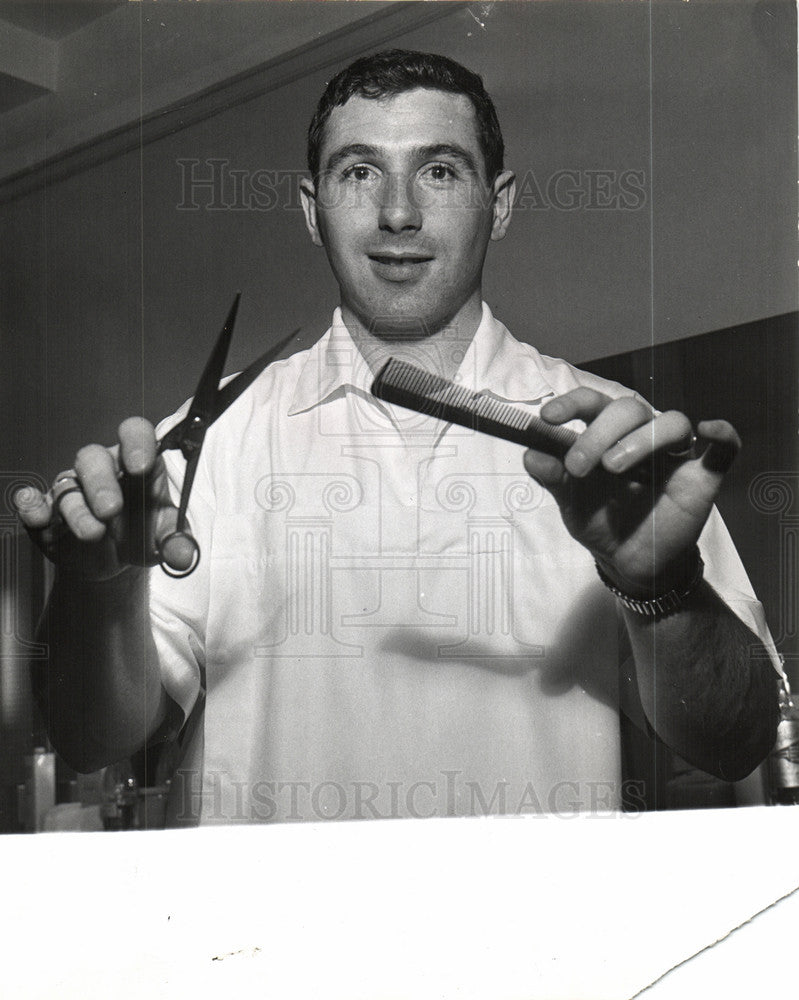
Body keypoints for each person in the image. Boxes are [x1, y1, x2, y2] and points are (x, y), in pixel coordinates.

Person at [15, 49, 780, 824]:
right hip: (257, 942)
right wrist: (98, 594)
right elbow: (91, 738)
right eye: (358, 173)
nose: (398, 214)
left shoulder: (612, 436)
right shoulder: (206, 443)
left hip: (543, 941)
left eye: (440, 171)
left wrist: (661, 589)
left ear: (501, 203)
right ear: (313, 210)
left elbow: (736, 742)